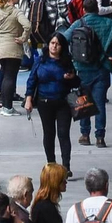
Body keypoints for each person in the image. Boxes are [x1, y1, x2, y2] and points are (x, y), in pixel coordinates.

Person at [61, 0, 112, 149]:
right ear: (98, 9)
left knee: (83, 102)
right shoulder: (108, 23)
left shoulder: (78, 23)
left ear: (83, 10)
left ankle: (85, 134)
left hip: (82, 69)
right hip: (102, 67)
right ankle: (100, 137)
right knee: (100, 104)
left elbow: (63, 39)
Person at [25, 33, 79, 171]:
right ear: (48, 44)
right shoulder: (40, 61)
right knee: (48, 134)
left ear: (62, 47)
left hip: (63, 102)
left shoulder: (67, 61)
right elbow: (32, 80)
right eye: (52, 43)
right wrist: (28, 99)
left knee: (63, 134)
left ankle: (66, 166)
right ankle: (51, 164)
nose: (54, 46)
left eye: (57, 44)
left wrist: (71, 77)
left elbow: (76, 82)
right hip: (45, 102)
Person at [0, 0, 30, 117]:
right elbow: (28, 25)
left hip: (0, 48)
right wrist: (23, 38)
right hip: (13, 46)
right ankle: (8, 107)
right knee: (10, 76)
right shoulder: (16, 12)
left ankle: (5, 105)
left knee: (4, 76)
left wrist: (0, 35)